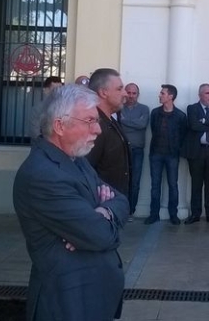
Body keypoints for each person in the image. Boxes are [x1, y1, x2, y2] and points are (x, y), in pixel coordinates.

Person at [13, 84, 129, 321]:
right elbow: (100, 236)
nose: (97, 129)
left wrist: (103, 212)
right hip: (68, 302)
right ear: (59, 126)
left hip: (91, 295)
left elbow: (121, 200)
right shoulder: (43, 175)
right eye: (89, 120)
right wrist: (100, 221)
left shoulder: (75, 159)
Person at [183, 84, 209, 225]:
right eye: (207, 93)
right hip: (197, 151)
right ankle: (195, 214)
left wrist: (205, 121)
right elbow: (194, 126)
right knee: (196, 184)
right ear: (200, 95)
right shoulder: (192, 108)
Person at [145, 85, 187, 225]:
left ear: (170, 96)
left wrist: (177, 149)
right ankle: (154, 214)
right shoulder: (155, 113)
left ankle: (173, 214)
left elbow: (183, 135)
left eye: (162, 93)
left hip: (172, 155)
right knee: (155, 185)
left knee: (173, 185)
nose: (160, 95)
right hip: (155, 153)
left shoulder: (180, 116)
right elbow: (153, 129)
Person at [86, 69, 131, 197]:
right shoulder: (95, 125)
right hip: (104, 208)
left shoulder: (111, 120)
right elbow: (86, 169)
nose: (125, 94)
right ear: (104, 92)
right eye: (119, 89)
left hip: (116, 205)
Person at [119, 83, 150, 216]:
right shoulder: (118, 108)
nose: (131, 96)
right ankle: (121, 210)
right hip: (121, 150)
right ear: (125, 93)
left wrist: (125, 121)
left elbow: (142, 125)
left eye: (134, 93)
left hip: (137, 151)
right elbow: (118, 125)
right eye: (129, 93)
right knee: (120, 180)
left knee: (135, 182)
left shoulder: (144, 109)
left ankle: (131, 211)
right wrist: (134, 123)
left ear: (138, 94)